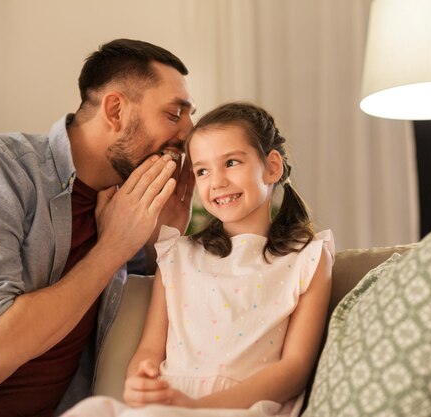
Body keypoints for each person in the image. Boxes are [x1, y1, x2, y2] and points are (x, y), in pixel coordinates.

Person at [0, 39, 196, 416]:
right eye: (173, 114)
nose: (188, 133)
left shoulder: (123, 209)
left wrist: (161, 242)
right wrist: (113, 247)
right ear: (115, 110)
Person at [62, 102, 335, 417]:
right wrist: (141, 384)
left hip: (240, 408)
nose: (216, 181)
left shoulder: (307, 257)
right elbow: (149, 351)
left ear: (271, 167)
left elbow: (294, 369)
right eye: (202, 170)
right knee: (92, 410)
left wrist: (196, 407)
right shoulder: (178, 256)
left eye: (231, 162)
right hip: (168, 404)